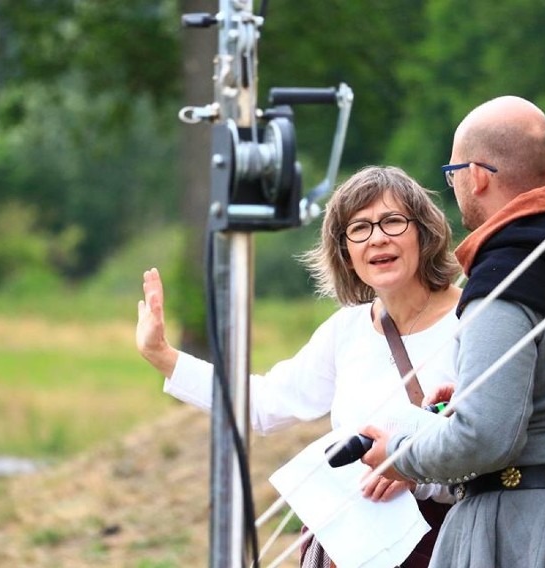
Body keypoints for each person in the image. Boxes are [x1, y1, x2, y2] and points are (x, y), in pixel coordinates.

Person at [359, 95, 545, 568]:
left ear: (476, 176)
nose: (454, 186)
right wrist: (485, 391)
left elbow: (484, 438)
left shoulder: (508, 273)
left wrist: (400, 454)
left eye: (452, 174)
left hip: (529, 536)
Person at [136, 165, 463, 567]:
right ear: (345, 252)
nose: (378, 237)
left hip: (444, 549)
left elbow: (497, 445)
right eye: (359, 228)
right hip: (350, 551)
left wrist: (415, 470)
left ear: (423, 232)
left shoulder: (473, 319)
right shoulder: (346, 330)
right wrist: (163, 356)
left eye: (393, 221)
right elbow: (263, 404)